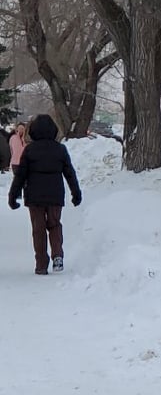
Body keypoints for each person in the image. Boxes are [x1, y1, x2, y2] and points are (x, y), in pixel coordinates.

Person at [7, 114, 82, 275]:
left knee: (38, 229)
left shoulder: (29, 150)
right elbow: (69, 173)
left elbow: (21, 175)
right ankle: (57, 256)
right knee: (54, 225)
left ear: (33, 131)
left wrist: (13, 196)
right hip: (55, 195)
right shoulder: (60, 149)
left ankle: (41, 264)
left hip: (34, 196)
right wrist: (76, 193)